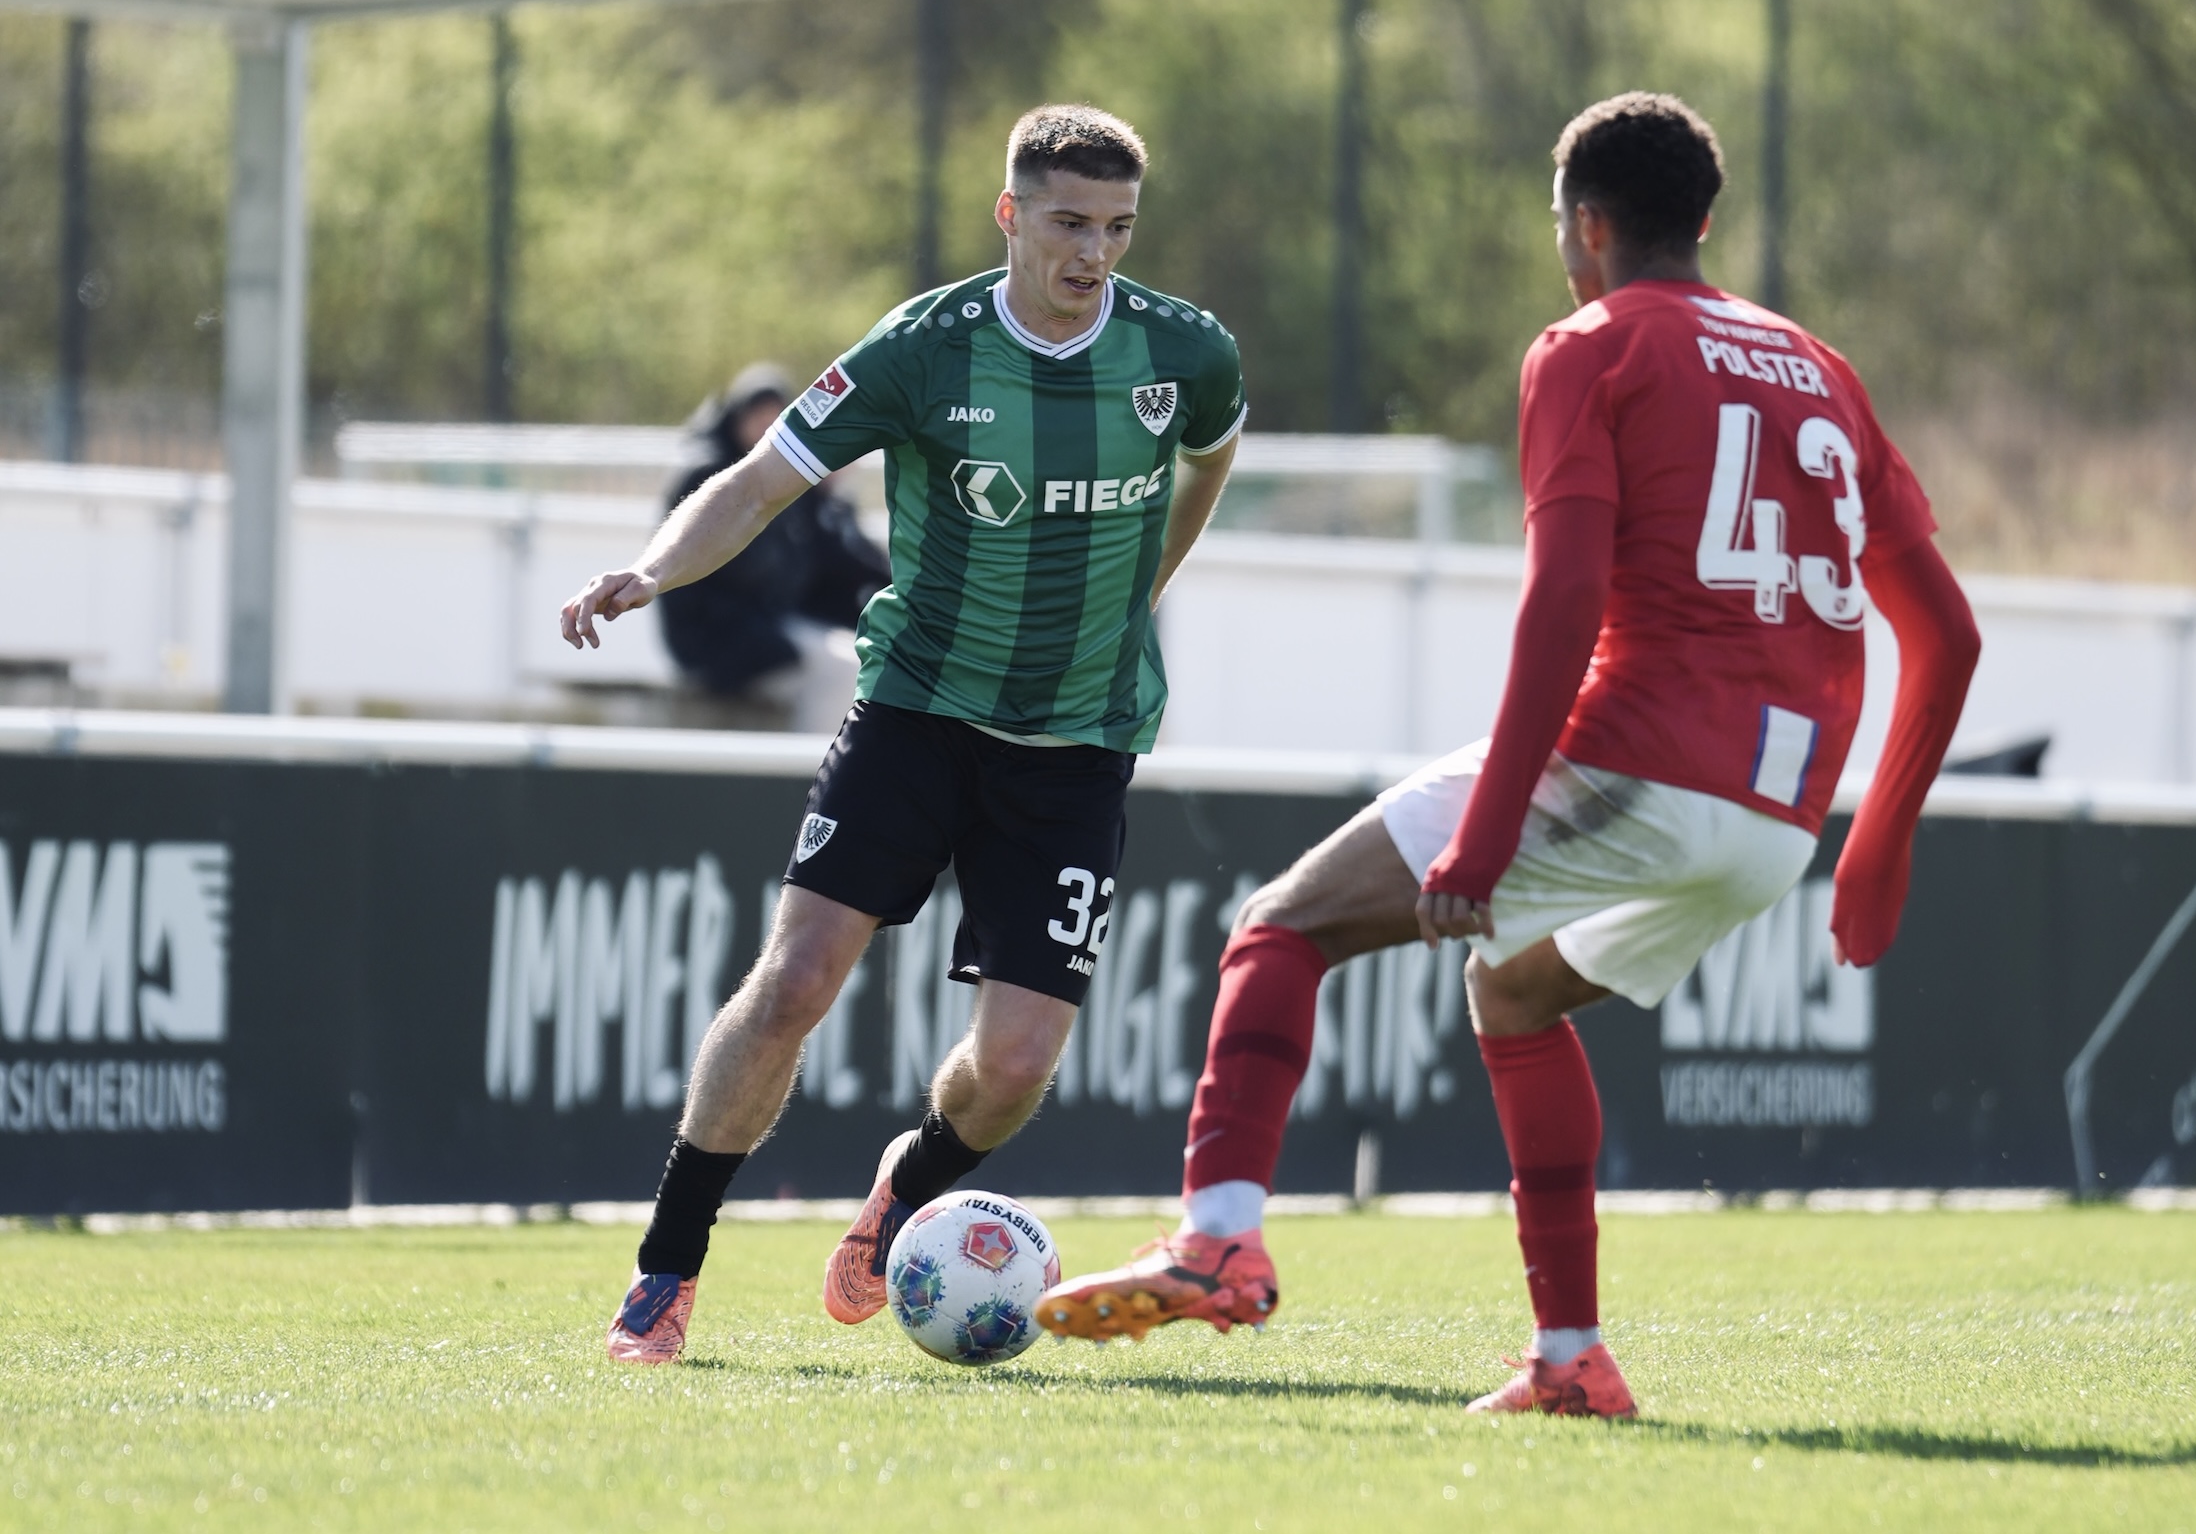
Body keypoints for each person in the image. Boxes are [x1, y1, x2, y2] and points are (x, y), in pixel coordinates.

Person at [1038, 92, 1981, 1419]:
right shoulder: (1819, 367)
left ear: (1585, 226)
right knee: (1517, 995)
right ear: (1703, 223)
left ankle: (1217, 1238)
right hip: (1779, 819)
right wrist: (1877, 844)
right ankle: (1570, 1357)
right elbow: (1947, 635)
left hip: (1643, 758)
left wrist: (1482, 843)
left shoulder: (1590, 346)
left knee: (1281, 928)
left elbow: (1567, 600)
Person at [557, 104, 1247, 1365]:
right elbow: (757, 483)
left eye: (1117, 228)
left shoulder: (1184, 351)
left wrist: (1147, 584)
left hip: (1078, 745)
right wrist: (650, 570)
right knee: (794, 981)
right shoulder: (926, 348)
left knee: (1017, 1064)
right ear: (1010, 215)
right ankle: (665, 1270)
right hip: (917, 715)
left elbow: (1209, 460)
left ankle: (901, 1192)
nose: (1093, 252)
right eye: (1068, 223)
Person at [656, 363, 892, 731]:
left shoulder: (787, 483)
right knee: (844, 669)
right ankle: (818, 763)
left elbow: (827, 561)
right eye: (758, 417)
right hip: (718, 632)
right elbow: (735, 573)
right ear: (737, 418)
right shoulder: (708, 475)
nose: (765, 428)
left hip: (768, 622)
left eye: (774, 419)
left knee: (860, 658)